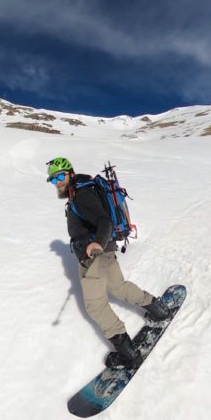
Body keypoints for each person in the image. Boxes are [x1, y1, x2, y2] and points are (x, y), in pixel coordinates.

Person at [46, 157, 170, 368]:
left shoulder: (81, 196)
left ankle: (128, 354)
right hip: (106, 250)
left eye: (60, 176)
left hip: (94, 255)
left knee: (95, 305)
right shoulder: (83, 191)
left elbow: (105, 221)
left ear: (71, 173)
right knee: (118, 287)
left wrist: (96, 243)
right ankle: (158, 309)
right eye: (53, 179)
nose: (57, 181)